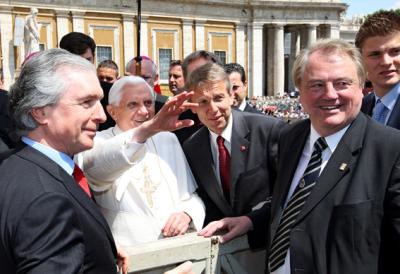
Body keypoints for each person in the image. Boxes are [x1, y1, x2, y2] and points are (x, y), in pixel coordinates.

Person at [200, 39, 400, 274]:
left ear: (361, 86)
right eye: (316, 85)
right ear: (300, 92)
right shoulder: (291, 136)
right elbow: (292, 203)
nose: (330, 94)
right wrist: (252, 220)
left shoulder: (391, 149)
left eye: (342, 83)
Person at [0, 49, 129, 273]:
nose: (101, 116)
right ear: (40, 112)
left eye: (99, 101)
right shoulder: (46, 202)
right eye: (87, 102)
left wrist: (96, 246)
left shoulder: (12, 164)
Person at [78, 76, 205, 246]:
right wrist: (148, 130)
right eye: (133, 105)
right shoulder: (96, 142)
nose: (144, 112)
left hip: (177, 250)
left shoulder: (168, 139)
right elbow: (97, 170)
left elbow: (190, 196)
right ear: (112, 112)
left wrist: (187, 214)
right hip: (128, 257)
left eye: (148, 103)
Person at [183, 63, 283, 248]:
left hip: (270, 244)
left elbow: (286, 191)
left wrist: (251, 220)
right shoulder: (191, 147)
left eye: (218, 98)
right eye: (203, 102)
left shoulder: (268, 130)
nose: (212, 109)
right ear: (193, 108)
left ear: (231, 97)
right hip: (224, 251)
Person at [356, 10, 400, 130]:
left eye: (395, 51)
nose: (386, 62)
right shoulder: (360, 108)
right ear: (360, 60)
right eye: (375, 54)